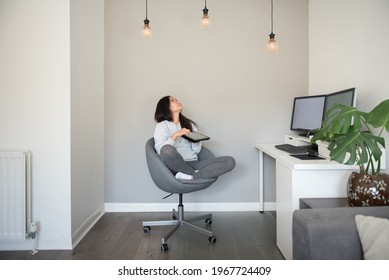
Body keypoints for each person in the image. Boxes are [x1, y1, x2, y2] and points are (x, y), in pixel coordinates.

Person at [153, 95, 236, 180]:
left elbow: (196, 151)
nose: (177, 101)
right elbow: (160, 151)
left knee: (230, 161)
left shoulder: (189, 124)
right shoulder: (162, 126)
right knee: (166, 149)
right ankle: (191, 173)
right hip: (177, 165)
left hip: (194, 163)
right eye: (173, 101)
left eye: (177, 99)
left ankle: (193, 176)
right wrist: (175, 135)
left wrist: (196, 140)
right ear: (165, 107)